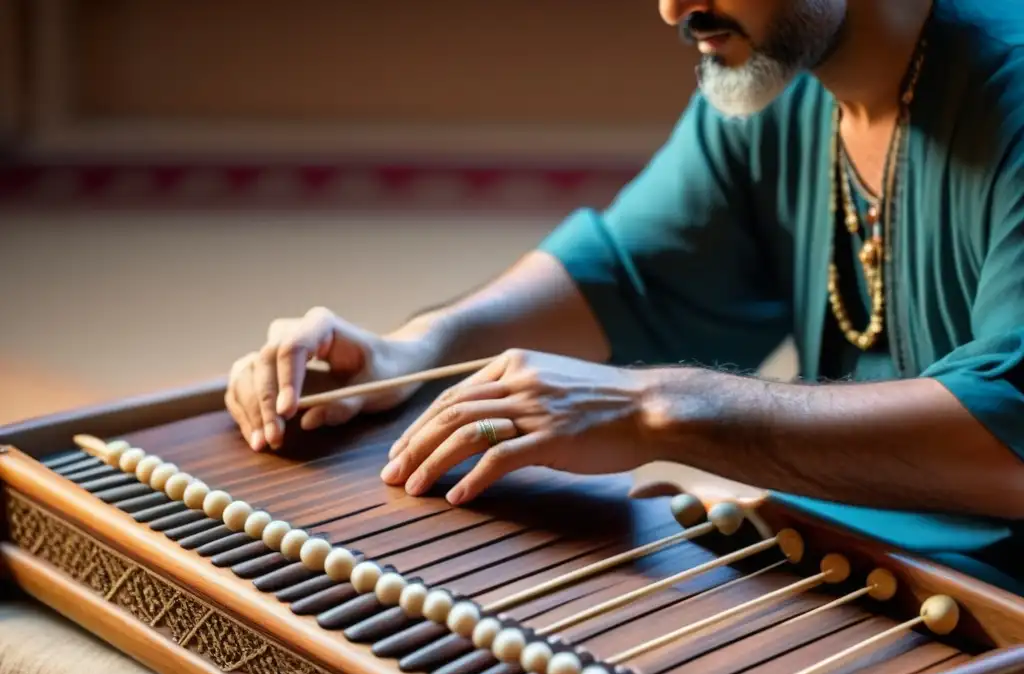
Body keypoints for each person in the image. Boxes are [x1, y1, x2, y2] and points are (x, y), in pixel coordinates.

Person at [225, 0, 1024, 593]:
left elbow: (1008, 448)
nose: (674, 8)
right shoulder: (779, 80)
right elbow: (625, 274)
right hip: (853, 568)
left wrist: (656, 411)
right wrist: (416, 348)